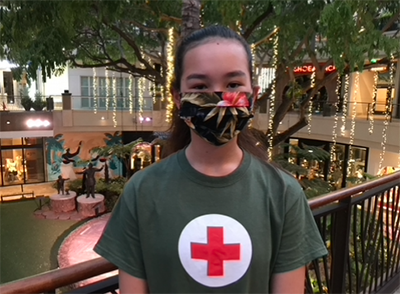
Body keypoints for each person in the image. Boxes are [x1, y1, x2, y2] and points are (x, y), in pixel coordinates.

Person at [94, 25, 327, 294]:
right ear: (179, 99)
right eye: (200, 86)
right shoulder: (142, 191)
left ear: (254, 95)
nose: (219, 99)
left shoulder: (285, 195)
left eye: (233, 85)